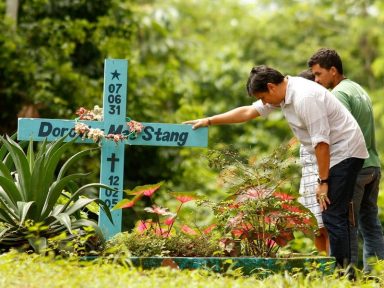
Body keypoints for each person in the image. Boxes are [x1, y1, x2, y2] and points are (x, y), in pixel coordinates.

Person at [184, 65, 368, 271]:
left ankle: (343, 275)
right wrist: (209, 120)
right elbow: (248, 111)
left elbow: (321, 143)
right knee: (330, 215)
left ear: (271, 87)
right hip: (333, 153)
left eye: (263, 97)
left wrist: (323, 182)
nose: (263, 103)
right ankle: (342, 272)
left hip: (345, 152)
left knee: (333, 215)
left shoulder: (304, 98)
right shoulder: (284, 93)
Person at [308, 48, 384, 272]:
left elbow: (337, 137)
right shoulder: (357, 88)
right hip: (373, 167)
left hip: (355, 170)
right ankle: (376, 277)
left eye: (319, 74)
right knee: (371, 226)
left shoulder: (338, 95)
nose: (316, 80)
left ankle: (345, 278)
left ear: (333, 70)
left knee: (345, 225)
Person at [297, 69, 330, 255]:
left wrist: (323, 181)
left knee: (327, 227)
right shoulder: (301, 109)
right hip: (307, 175)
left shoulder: (320, 106)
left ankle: (333, 271)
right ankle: (322, 270)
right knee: (315, 228)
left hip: (320, 174)